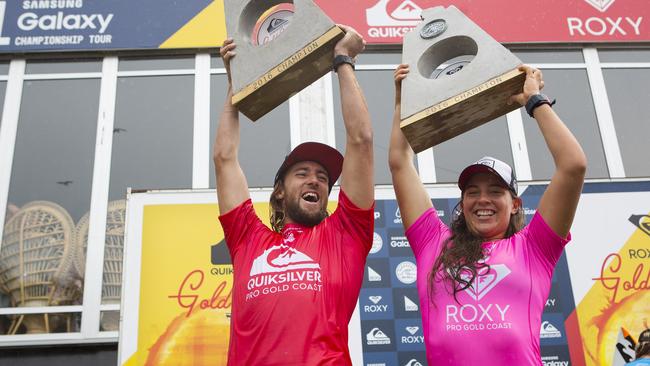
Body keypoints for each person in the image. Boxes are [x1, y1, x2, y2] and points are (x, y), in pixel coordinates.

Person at [388, 64, 587, 364]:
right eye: (472, 192)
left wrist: (534, 102)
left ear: (515, 204)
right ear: (463, 201)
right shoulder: (434, 243)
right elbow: (400, 162)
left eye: (495, 191)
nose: (483, 199)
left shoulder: (535, 247)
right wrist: (405, 104)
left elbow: (573, 165)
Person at [214, 25, 374, 365]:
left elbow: (360, 140)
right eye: (302, 174)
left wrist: (343, 60)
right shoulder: (247, 239)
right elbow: (224, 159)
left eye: (322, 178)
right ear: (279, 192)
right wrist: (235, 84)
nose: (314, 181)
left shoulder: (346, 235)